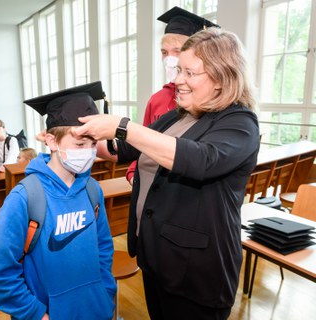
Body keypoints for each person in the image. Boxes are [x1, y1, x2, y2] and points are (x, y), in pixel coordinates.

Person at [75, 28, 260, 319]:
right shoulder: (177, 115)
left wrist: (123, 125)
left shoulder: (239, 122)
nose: (177, 80)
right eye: (178, 71)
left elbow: (200, 160)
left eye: (189, 72)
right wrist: (75, 135)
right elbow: (122, 150)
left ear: (223, 76)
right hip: (158, 257)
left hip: (197, 272)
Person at [0, 81, 117, 320]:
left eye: (92, 144)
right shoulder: (24, 199)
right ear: (52, 141)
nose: (88, 152)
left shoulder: (91, 189)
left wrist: (106, 292)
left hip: (95, 309)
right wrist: (37, 314)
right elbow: (1, 273)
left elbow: (104, 248)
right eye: (79, 144)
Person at [126, 6, 219, 185]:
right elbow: (141, 144)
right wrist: (132, 173)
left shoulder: (214, 101)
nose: (169, 59)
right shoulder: (157, 99)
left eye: (177, 50)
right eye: (164, 52)